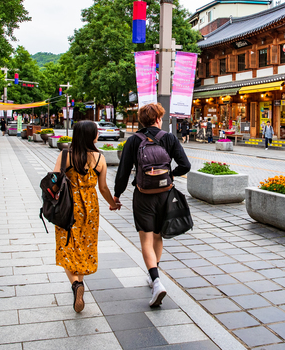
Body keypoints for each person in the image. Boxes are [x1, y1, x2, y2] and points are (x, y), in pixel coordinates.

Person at [114, 103, 191, 307]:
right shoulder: (169, 138)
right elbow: (186, 165)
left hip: (143, 195)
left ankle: (156, 280)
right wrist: (169, 175)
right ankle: (154, 274)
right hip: (165, 195)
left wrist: (117, 195)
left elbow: (123, 172)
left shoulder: (133, 140)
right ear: (158, 119)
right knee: (158, 235)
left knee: (146, 239)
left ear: (141, 120)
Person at [51, 120, 118, 312]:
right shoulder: (100, 158)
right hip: (90, 207)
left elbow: (54, 182)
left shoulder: (65, 156)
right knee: (85, 244)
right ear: (92, 136)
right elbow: (103, 188)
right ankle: (79, 283)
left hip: (68, 206)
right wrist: (113, 204)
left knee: (67, 245)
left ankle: (75, 285)